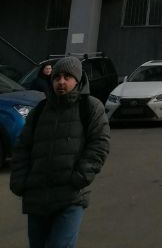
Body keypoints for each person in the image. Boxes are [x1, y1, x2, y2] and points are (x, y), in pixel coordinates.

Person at [10, 55, 110, 248]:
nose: (61, 82)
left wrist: (80, 177)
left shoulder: (90, 107)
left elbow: (100, 144)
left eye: (67, 77)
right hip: (37, 198)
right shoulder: (40, 110)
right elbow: (22, 147)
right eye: (57, 77)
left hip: (69, 197)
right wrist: (20, 181)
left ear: (78, 80)